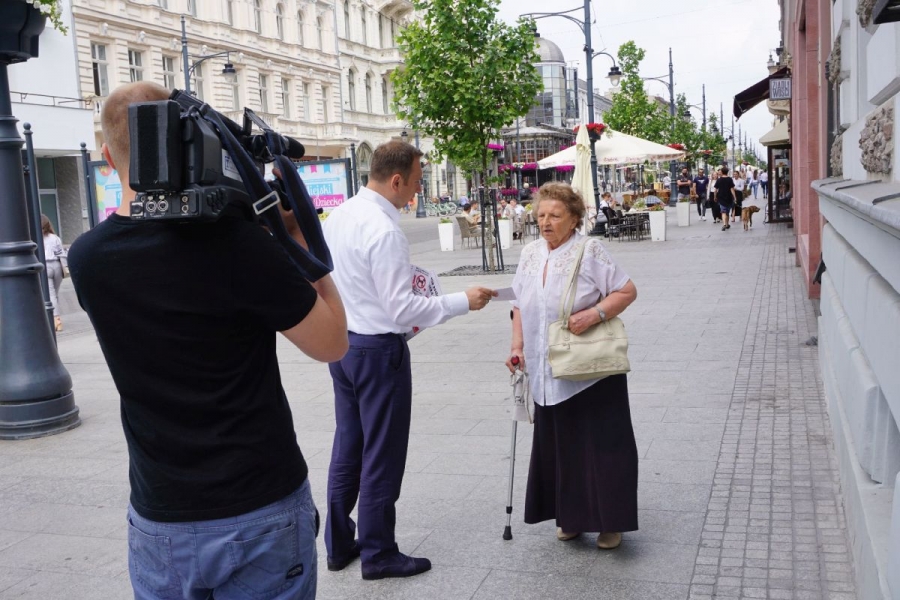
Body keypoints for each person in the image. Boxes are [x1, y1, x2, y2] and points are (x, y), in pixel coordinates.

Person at [67, 82, 348, 599]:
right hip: (259, 504)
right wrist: (294, 238)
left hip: (160, 516)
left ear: (107, 157)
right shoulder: (238, 244)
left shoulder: (86, 258)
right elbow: (332, 342)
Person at [322, 141, 496, 580]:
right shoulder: (384, 230)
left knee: (348, 446)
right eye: (417, 183)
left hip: (343, 344)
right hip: (378, 351)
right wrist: (462, 300)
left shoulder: (339, 215)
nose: (418, 191)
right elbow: (401, 309)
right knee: (382, 453)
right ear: (396, 180)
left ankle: (339, 543)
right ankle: (379, 553)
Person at [506, 182, 638, 550]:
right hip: (546, 368)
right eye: (541, 215)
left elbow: (626, 291)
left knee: (601, 446)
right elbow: (517, 303)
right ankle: (571, 517)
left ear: (575, 218)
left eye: (555, 215)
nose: (545, 222)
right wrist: (516, 346)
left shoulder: (589, 249)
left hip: (590, 367)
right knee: (561, 446)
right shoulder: (530, 253)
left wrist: (595, 313)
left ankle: (610, 522)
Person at [41, 214, 65, 332]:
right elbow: (61, 253)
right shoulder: (55, 237)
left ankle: (56, 319)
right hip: (57, 266)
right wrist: (65, 266)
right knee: (54, 294)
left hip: (45, 266)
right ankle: (55, 318)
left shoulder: (36, 238)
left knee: (51, 295)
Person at [714, 166, 737, 231]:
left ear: (721, 172)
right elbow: (732, 189)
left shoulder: (719, 180)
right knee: (727, 212)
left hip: (721, 197)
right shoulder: (730, 179)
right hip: (729, 197)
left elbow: (715, 189)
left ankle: (724, 224)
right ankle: (727, 224)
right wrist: (735, 197)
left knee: (723, 211)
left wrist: (715, 196)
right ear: (727, 172)